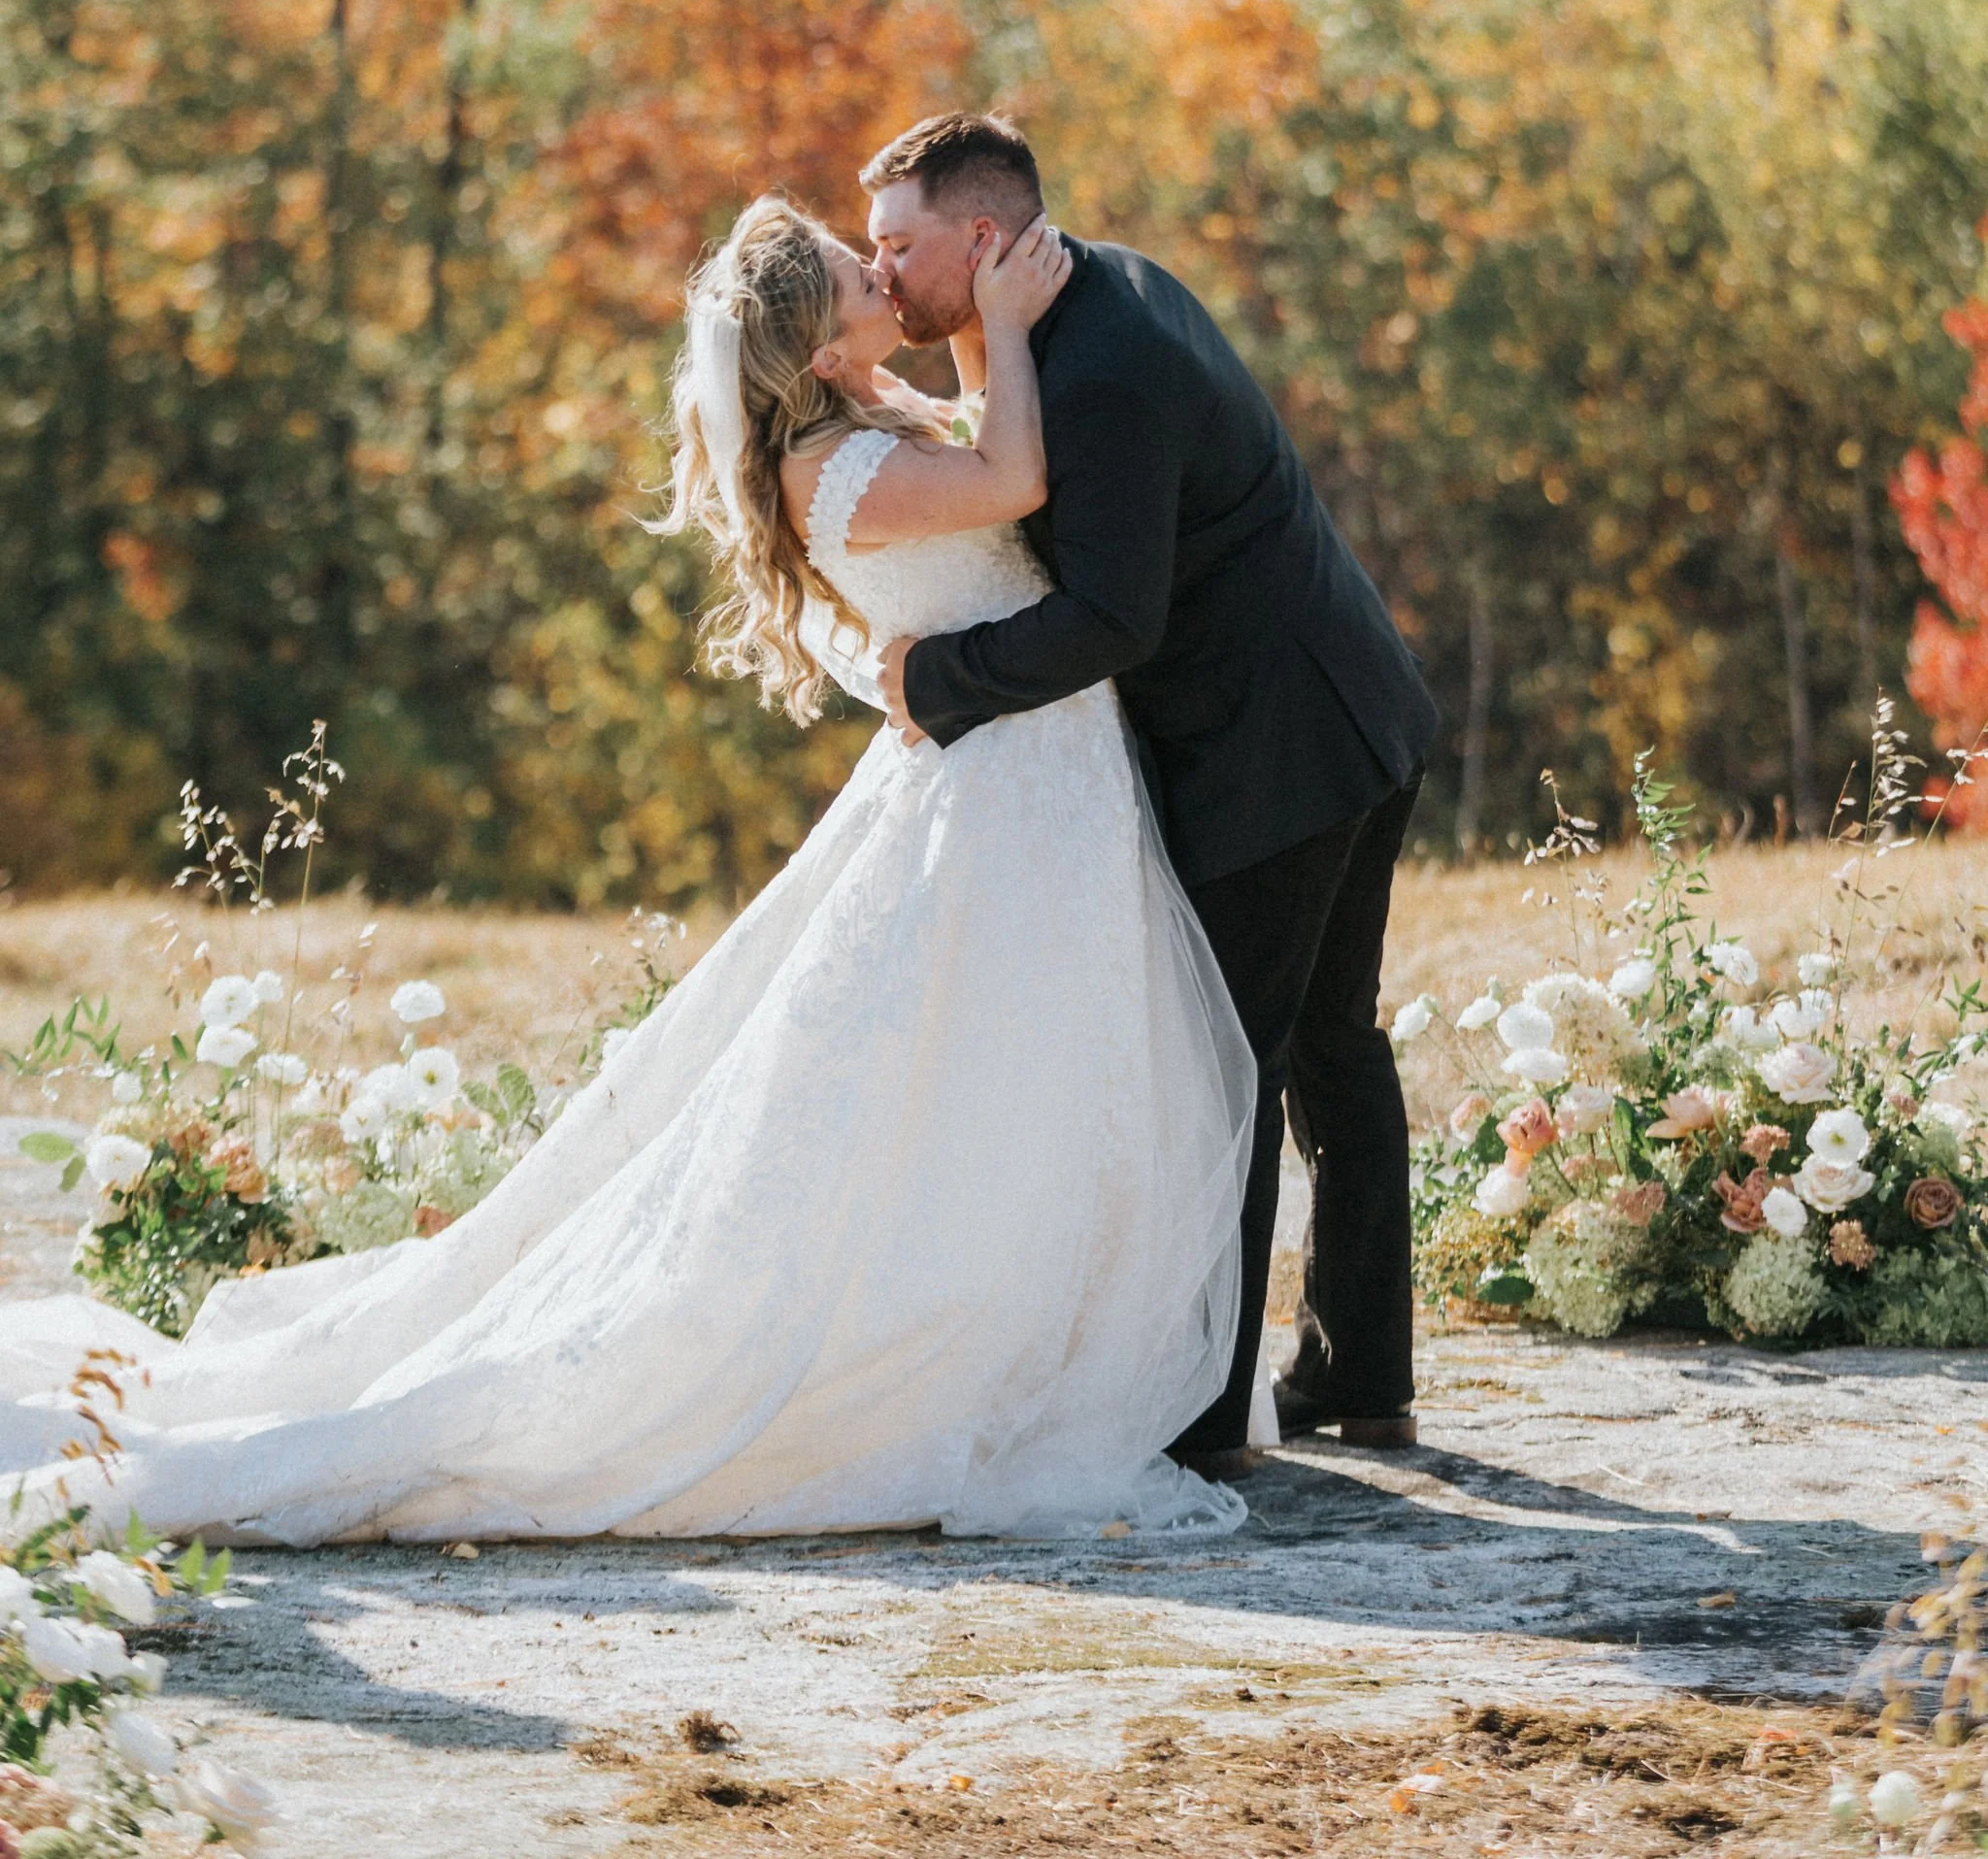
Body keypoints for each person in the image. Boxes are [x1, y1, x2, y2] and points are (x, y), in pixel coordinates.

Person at [0, 195, 1255, 1545]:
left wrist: (959, 359)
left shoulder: (864, 422)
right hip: (1004, 789)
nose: (878, 268)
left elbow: (963, 517)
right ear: (816, 347)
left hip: (1036, 775)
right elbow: (1016, 483)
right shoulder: (828, 473)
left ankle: (1035, 1332)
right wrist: (1000, 326)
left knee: (1025, 1075)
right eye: (853, 270)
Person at [861, 113, 1439, 1475]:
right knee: (1333, 1046)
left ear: (985, 240)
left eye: (897, 245)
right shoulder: (1101, 289)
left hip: (1276, 749)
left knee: (1221, 1060)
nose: (878, 271)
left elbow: (1115, 618)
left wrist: (936, 681)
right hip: (1349, 700)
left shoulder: (1102, 369)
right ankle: (1365, 1380)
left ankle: (1202, 1414)